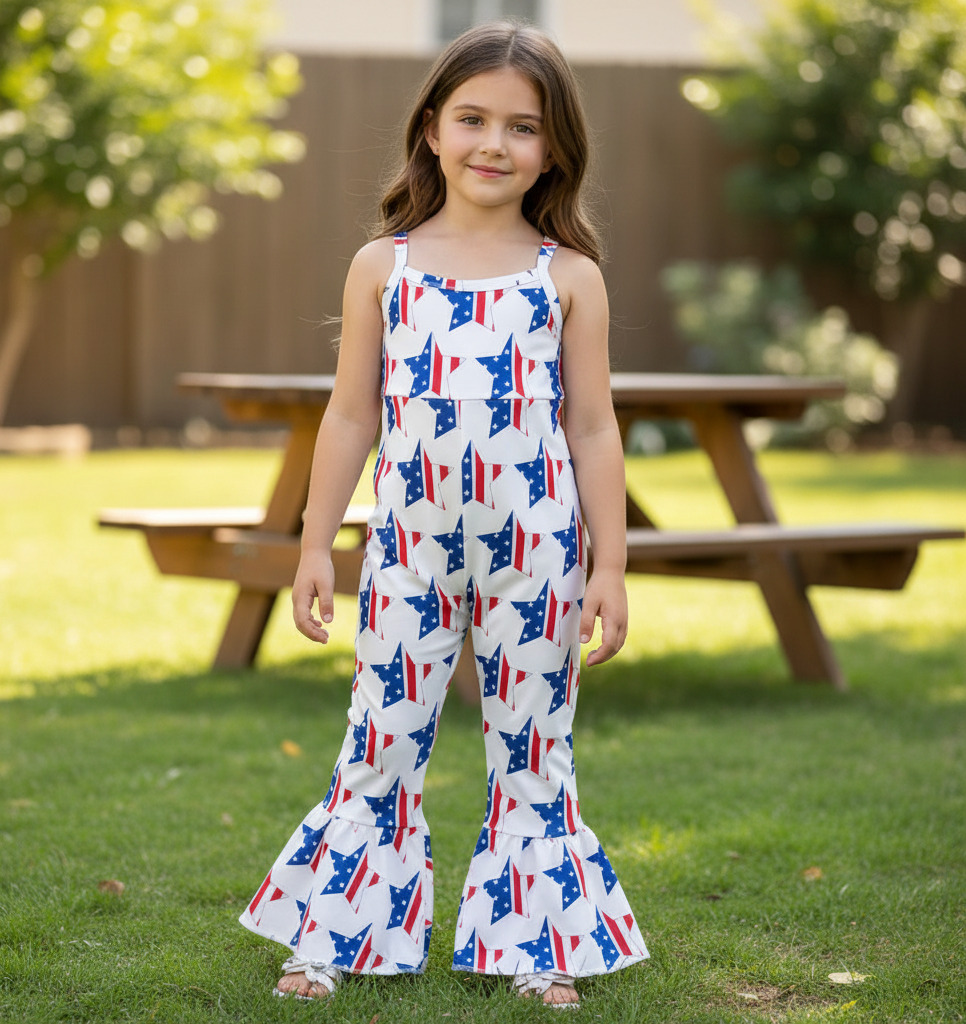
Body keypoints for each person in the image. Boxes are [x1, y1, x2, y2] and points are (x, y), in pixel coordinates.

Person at [239, 20, 648, 1007]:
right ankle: (334, 939)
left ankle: (534, 946)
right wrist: (313, 545)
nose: (493, 144)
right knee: (378, 741)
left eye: (522, 127)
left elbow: (594, 428)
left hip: (537, 556)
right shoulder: (383, 267)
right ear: (430, 128)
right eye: (472, 119)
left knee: (534, 750)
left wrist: (610, 565)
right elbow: (349, 415)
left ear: (553, 150)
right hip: (407, 553)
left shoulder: (569, 278)